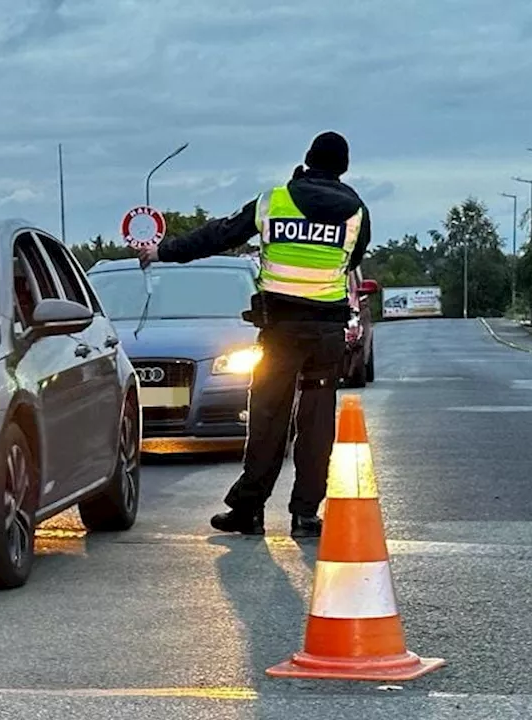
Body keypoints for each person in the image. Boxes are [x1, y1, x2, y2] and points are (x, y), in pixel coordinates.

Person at [138, 131, 371, 537]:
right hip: (325, 334)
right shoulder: (356, 212)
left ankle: (248, 509)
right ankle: (305, 515)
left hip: (280, 331)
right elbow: (354, 258)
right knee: (316, 424)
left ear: (306, 160)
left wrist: (163, 252)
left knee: (267, 417)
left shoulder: (273, 201)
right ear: (343, 168)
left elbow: (219, 235)